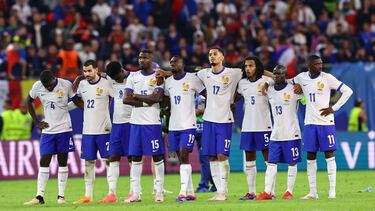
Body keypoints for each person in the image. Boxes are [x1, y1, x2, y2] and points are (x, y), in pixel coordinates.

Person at [293, 55, 353, 199]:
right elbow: (285, 82)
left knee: (329, 155)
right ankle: (313, 192)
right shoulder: (301, 77)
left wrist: (333, 108)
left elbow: (348, 91)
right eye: (316, 64)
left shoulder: (327, 78)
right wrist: (267, 79)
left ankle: (332, 191)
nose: (320, 66)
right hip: (309, 124)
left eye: (321, 64)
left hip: (326, 123)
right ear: (308, 65)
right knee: (310, 157)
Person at [24, 70, 82, 205]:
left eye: (49, 85)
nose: (47, 87)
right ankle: (39, 196)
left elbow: (76, 101)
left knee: (62, 161)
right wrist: (36, 122)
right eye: (45, 86)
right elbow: (28, 100)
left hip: (64, 129)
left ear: (53, 78)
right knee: (44, 160)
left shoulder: (65, 85)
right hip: (48, 130)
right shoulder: (38, 86)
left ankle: (61, 197)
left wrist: (91, 109)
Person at [197, 47, 243, 201]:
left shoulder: (233, 73)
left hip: (224, 121)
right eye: (210, 54)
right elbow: (186, 77)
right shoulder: (204, 74)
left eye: (215, 54)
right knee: (211, 157)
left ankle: (223, 191)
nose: (212, 57)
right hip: (208, 120)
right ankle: (219, 192)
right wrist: (166, 73)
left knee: (221, 155)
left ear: (223, 56)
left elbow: (255, 72)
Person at [123, 49, 165, 203]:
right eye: (140, 57)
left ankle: (159, 191)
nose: (141, 60)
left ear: (151, 59)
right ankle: (135, 193)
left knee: (157, 156)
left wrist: (138, 97)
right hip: (135, 123)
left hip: (152, 123)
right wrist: (147, 100)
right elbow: (126, 99)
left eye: (145, 58)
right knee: (135, 158)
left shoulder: (158, 76)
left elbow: (158, 98)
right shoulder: (133, 76)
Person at [255, 65, 302, 200]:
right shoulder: (269, 89)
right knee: (271, 162)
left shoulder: (294, 89)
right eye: (275, 74)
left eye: (280, 74)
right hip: (276, 134)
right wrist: (266, 82)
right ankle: (267, 192)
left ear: (285, 75)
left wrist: (300, 85)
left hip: (292, 133)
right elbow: (262, 72)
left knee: (292, 163)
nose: (277, 76)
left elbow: (307, 93)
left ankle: (289, 192)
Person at [164, 56, 205, 202]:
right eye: (171, 63)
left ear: (182, 64)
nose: (172, 64)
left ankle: (182, 192)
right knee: (181, 159)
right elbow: (166, 102)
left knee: (184, 154)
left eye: (175, 62)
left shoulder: (192, 79)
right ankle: (191, 192)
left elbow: (206, 95)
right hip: (173, 126)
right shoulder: (167, 82)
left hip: (188, 125)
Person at [73, 59, 114, 204]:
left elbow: (119, 98)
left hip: (104, 130)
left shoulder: (106, 83)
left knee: (109, 162)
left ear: (96, 69)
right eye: (84, 71)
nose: (87, 74)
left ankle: (111, 193)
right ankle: (88, 196)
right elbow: (76, 101)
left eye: (90, 70)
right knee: (88, 163)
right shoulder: (82, 85)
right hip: (88, 131)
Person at [235, 56, 273, 200]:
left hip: (264, 126)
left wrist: (264, 73)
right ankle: (251, 192)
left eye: (251, 66)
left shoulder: (266, 81)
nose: (248, 69)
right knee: (249, 159)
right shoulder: (242, 83)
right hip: (247, 126)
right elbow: (236, 97)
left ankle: (270, 191)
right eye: (246, 66)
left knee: (269, 160)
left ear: (257, 67)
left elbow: (278, 76)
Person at [98, 61, 133, 203]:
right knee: (113, 157)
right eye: (113, 78)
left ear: (122, 70)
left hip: (132, 123)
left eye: (118, 76)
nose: (116, 79)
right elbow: (99, 74)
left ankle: (134, 192)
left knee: (133, 158)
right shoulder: (110, 79)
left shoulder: (134, 78)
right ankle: (111, 193)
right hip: (117, 125)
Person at [195, 94, 217, 193]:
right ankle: (215, 184)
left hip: (204, 127)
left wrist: (199, 111)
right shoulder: (191, 92)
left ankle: (203, 185)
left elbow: (213, 107)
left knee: (205, 158)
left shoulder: (204, 94)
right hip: (193, 127)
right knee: (205, 158)